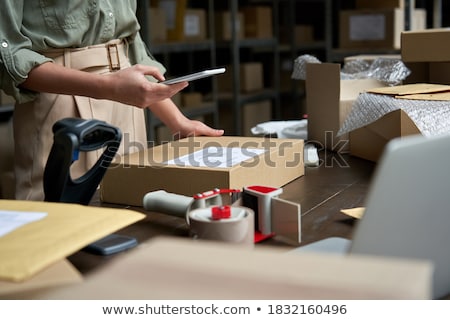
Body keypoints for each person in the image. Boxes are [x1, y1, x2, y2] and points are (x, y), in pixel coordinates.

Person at [0, 1, 224, 201]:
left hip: (127, 104)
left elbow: (132, 47)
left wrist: (178, 122)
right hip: (64, 101)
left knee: (132, 207)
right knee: (63, 220)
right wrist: (110, 87)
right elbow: (9, 56)